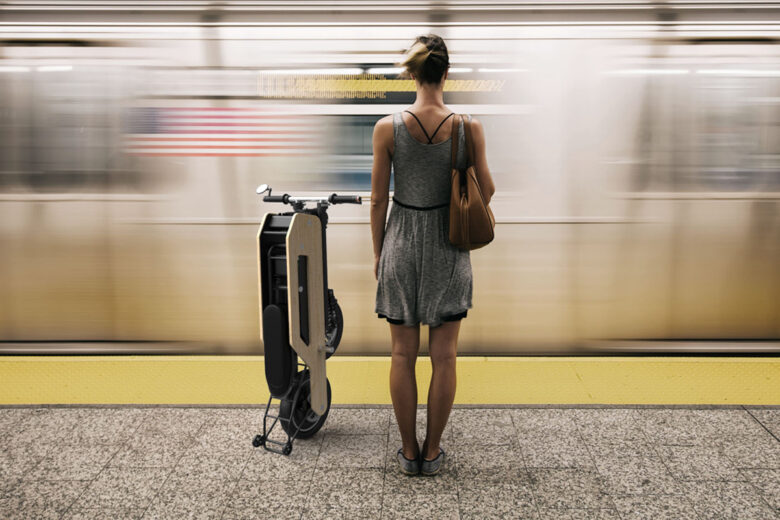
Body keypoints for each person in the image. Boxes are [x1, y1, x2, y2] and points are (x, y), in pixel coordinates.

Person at [370, 33, 496, 477]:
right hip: (449, 244)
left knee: (402, 355)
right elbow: (489, 190)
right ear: (446, 73)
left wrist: (379, 254)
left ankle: (408, 453)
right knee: (445, 356)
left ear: (411, 73)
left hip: (401, 241)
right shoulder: (469, 127)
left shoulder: (387, 128)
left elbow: (378, 200)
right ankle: (433, 451)